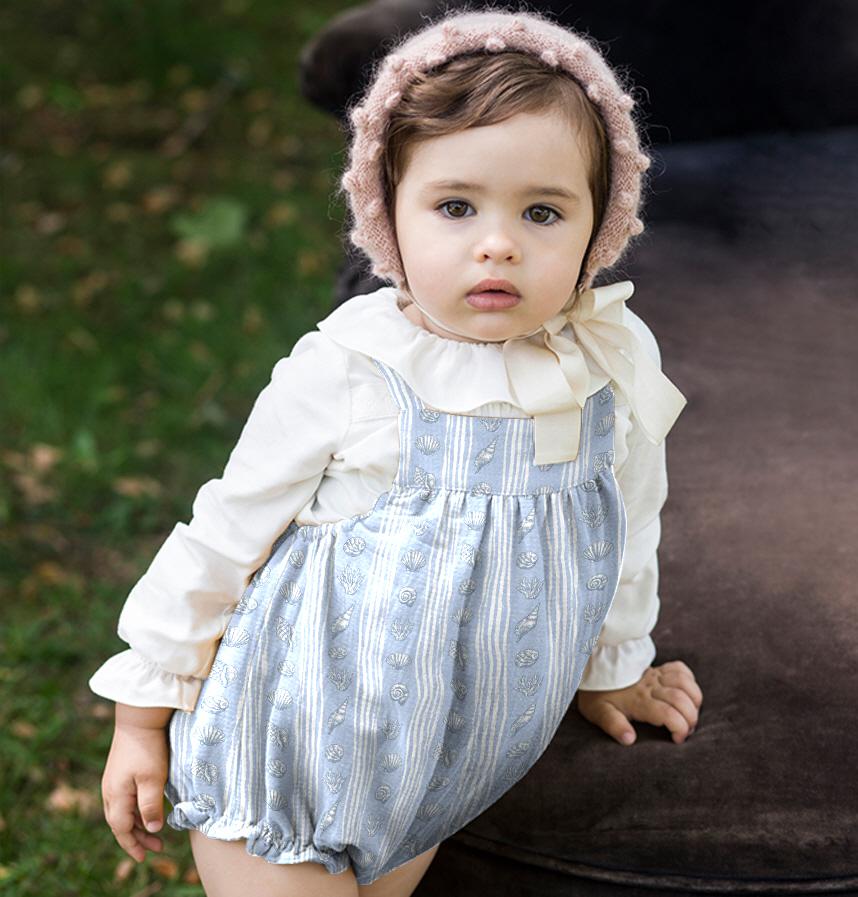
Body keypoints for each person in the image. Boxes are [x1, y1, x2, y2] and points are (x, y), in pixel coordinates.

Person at [89, 8, 703, 895]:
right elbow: (224, 531)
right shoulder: (355, 364)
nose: (498, 242)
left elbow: (626, 522)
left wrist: (612, 667)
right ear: (389, 213)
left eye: (542, 211)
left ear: (599, 226)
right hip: (294, 740)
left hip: (440, 766)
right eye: (455, 207)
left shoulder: (609, 360)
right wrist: (141, 715)